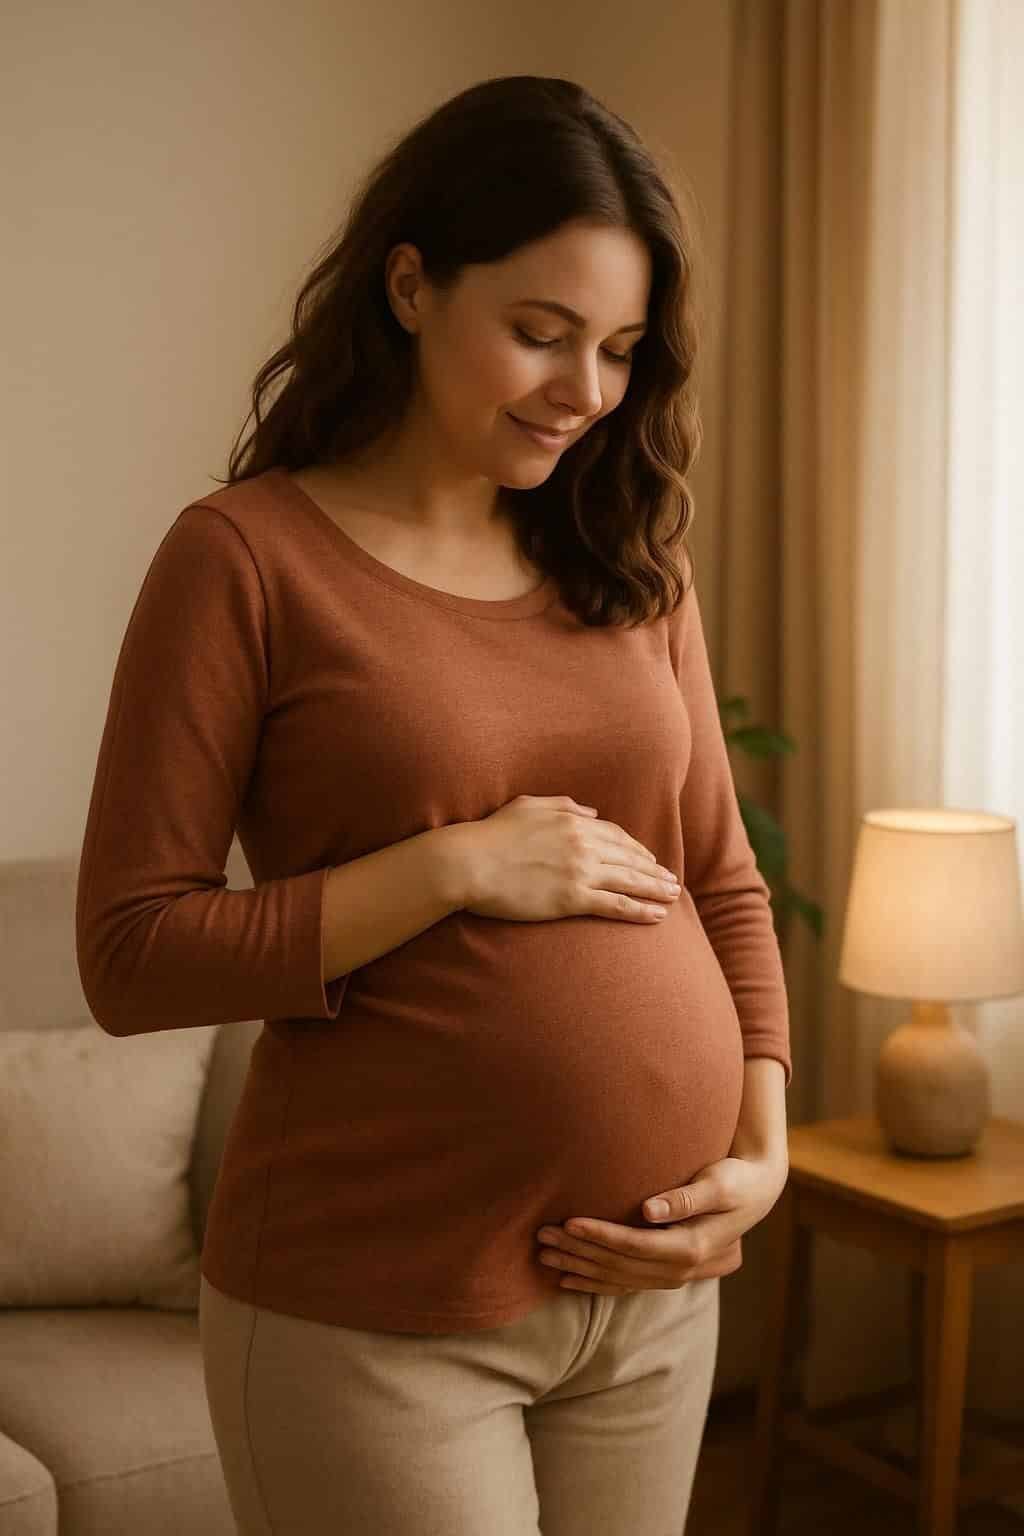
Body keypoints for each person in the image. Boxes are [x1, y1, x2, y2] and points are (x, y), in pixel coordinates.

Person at [76, 74, 791, 1536]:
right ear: (410, 287)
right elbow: (131, 954)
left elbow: (720, 875)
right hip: (378, 1316)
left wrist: (762, 1153)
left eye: (620, 350)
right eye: (541, 331)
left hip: (653, 1306)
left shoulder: (628, 550)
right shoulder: (245, 560)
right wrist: (454, 866)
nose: (585, 392)